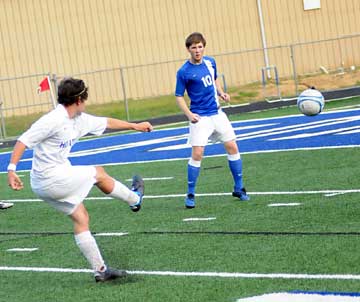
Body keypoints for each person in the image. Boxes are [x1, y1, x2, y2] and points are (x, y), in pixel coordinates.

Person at [7, 77, 153, 282]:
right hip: (50, 179)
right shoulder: (52, 120)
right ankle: (134, 199)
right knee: (98, 172)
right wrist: (12, 169)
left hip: (45, 182)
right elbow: (23, 141)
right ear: (78, 100)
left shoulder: (79, 118)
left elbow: (107, 122)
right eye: (84, 98)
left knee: (81, 217)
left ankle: (100, 269)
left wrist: (134, 126)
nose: (86, 102)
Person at [175, 32, 250, 209]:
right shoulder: (184, 71)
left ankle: (239, 187)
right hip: (200, 117)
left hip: (217, 114)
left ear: (204, 47)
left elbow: (214, 79)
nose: (197, 50)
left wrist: (221, 92)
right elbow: (178, 96)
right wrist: (189, 114)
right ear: (188, 49)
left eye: (200, 46)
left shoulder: (210, 62)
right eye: (193, 47)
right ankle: (190, 193)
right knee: (198, 153)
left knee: (232, 146)